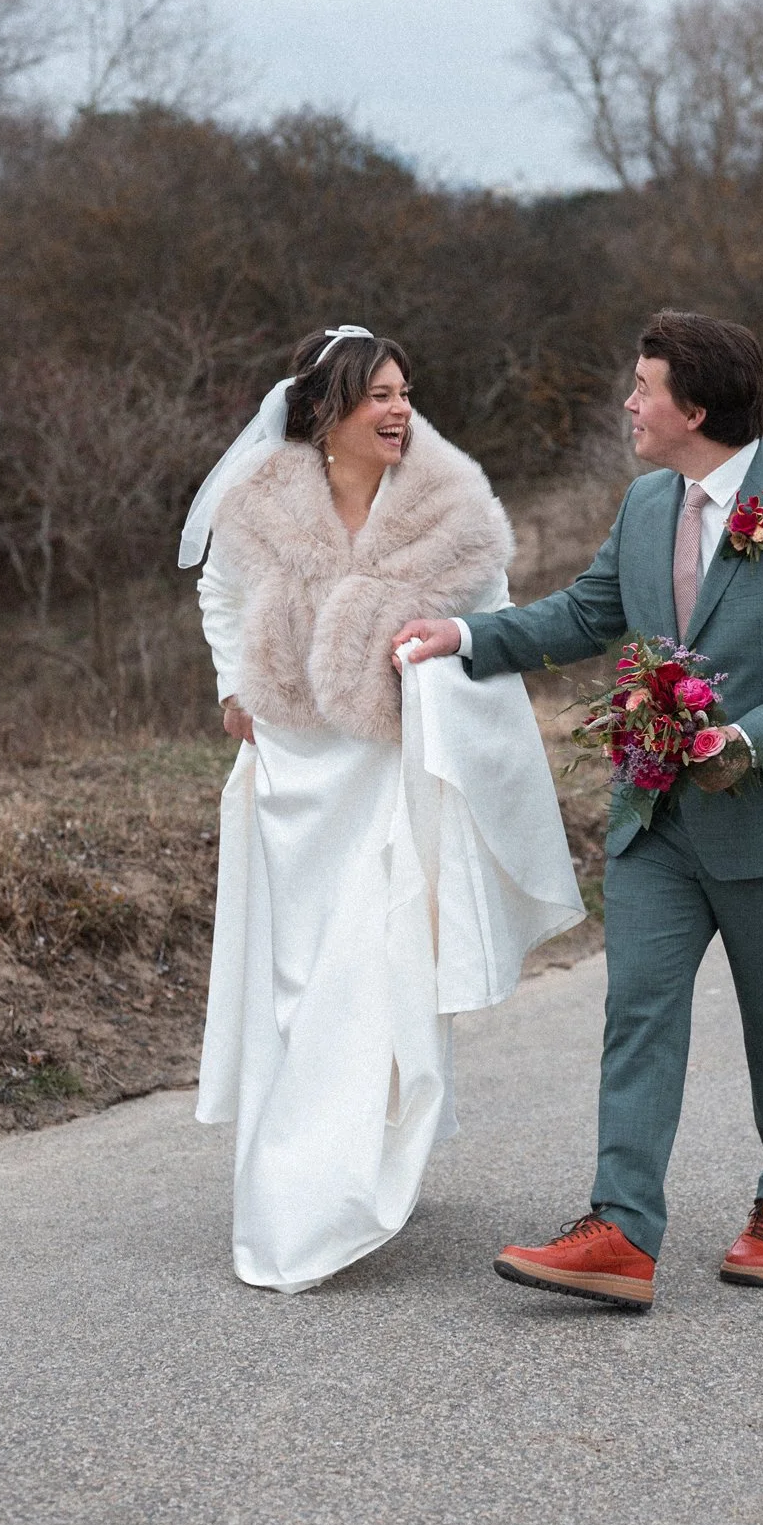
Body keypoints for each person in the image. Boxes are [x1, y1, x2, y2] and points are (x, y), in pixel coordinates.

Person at [394, 309, 763, 1313]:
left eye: (644, 386)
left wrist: (747, 742)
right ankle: (619, 1229)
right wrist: (462, 634)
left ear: (693, 407)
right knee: (637, 1011)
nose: (628, 402)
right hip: (655, 818)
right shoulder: (644, 502)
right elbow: (586, 611)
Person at [180, 325, 583, 1294]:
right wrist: (233, 687)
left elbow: (486, 615)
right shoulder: (256, 505)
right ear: (322, 410)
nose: (399, 410)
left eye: (405, 392)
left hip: (396, 764)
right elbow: (221, 600)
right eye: (377, 397)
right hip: (290, 765)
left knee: (373, 963)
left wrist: (440, 660)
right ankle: (310, 1154)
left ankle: (321, 1191)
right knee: (294, 973)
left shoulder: (454, 510)